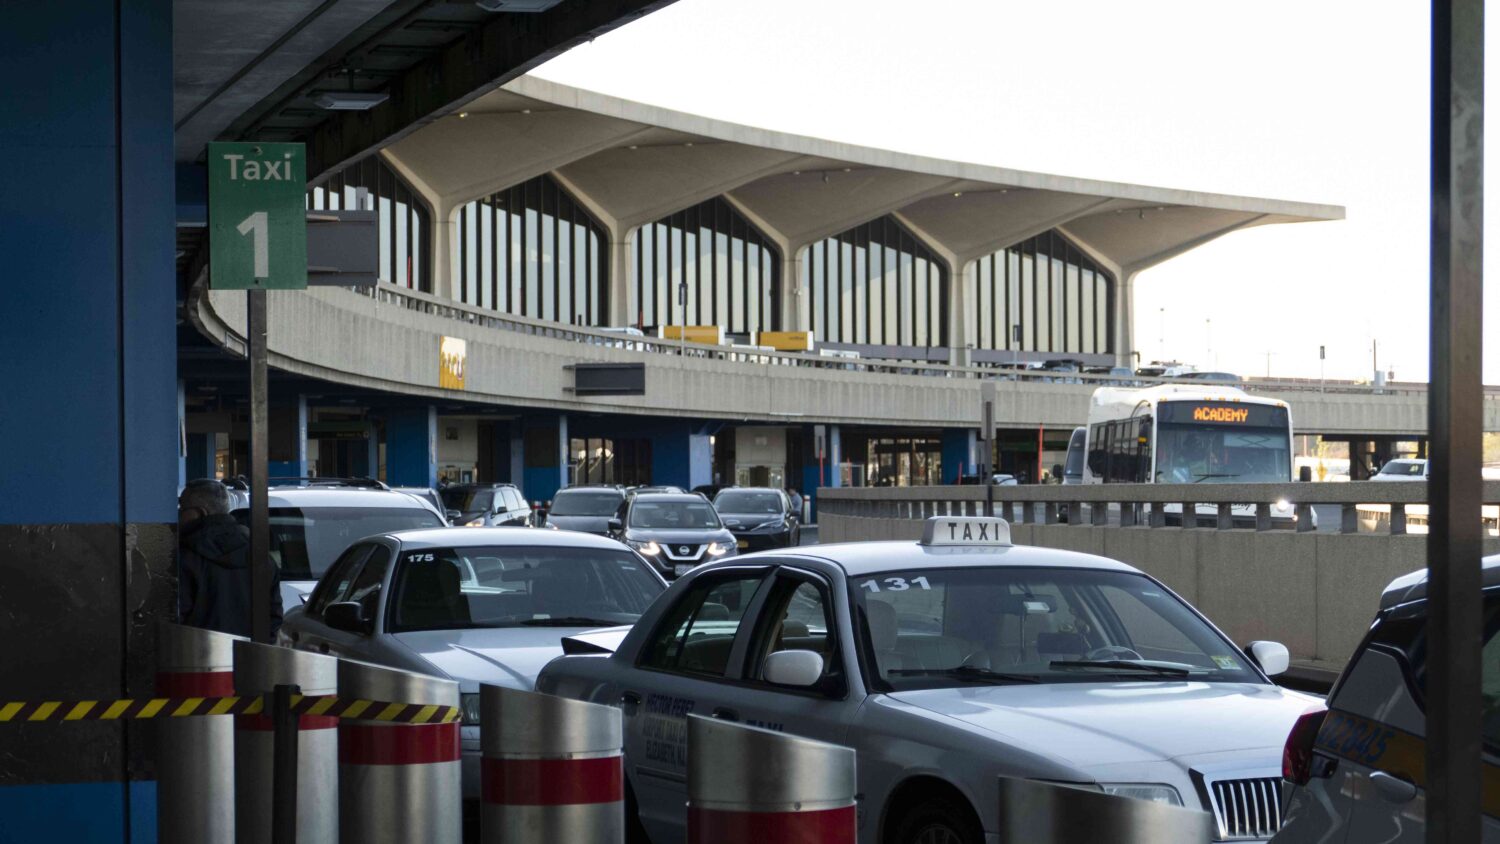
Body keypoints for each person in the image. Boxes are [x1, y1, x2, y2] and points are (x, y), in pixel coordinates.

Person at [178, 479, 281, 638]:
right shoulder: (261, 556)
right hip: (251, 655)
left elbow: (178, 615)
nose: (179, 515)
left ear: (200, 512)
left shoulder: (185, 557)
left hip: (197, 654)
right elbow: (273, 617)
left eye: (182, 508)